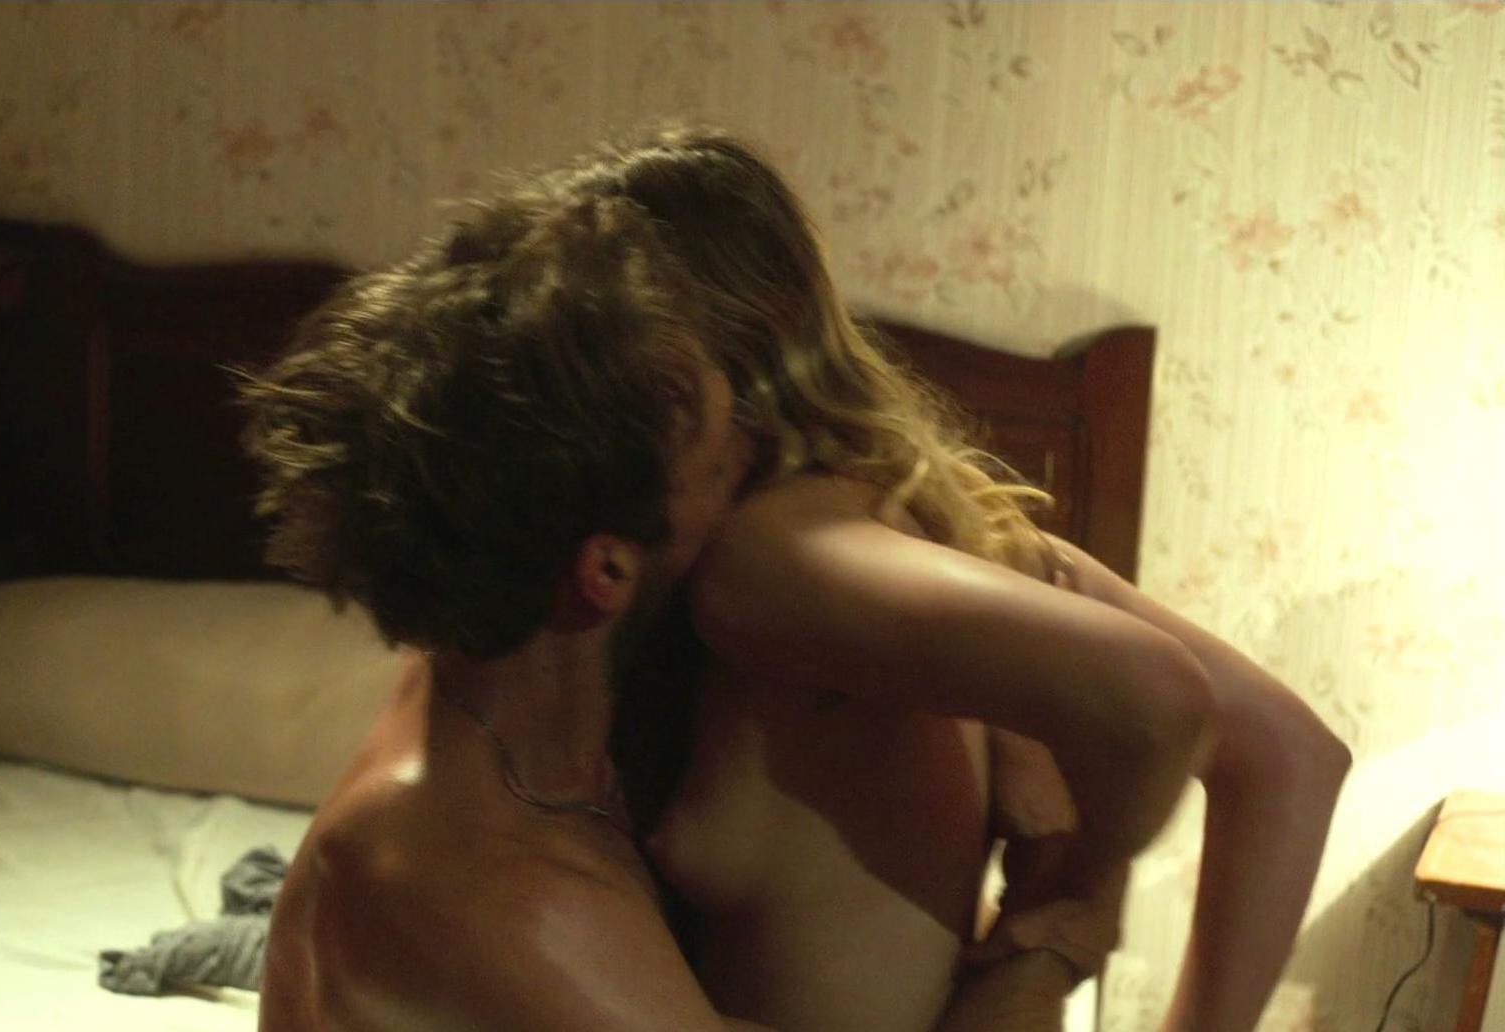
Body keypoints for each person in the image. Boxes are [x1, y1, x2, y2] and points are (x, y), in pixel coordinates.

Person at [549, 125, 1354, 1032]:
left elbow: (1158, 698)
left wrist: (1079, 893)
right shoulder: (941, 515)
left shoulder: (765, 560)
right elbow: (1292, 754)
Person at [242, 191, 765, 1030]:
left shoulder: (478, 681)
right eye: (718, 461)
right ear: (604, 571)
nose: (754, 458)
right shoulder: (501, 902)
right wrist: (1012, 957)